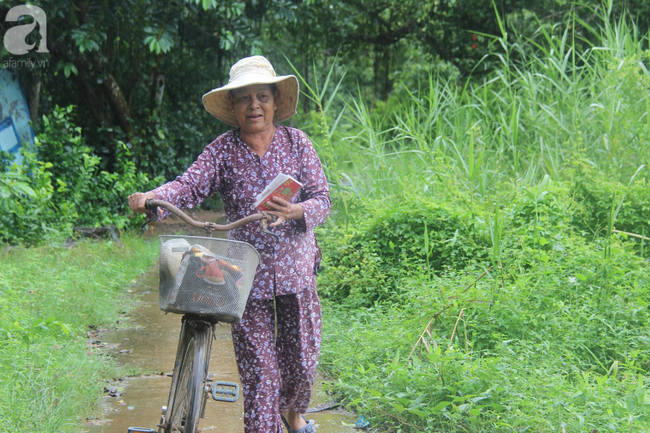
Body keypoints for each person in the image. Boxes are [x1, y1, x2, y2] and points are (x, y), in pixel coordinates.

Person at [128, 55, 330, 433]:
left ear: (274, 100)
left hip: (296, 270)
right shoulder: (222, 150)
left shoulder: (297, 142)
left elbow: (323, 199)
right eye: (244, 98)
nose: (254, 105)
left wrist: (297, 210)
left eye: (262, 96)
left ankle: (294, 413)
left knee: (302, 361)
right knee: (260, 375)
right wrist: (153, 197)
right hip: (246, 274)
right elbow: (187, 186)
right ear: (234, 106)